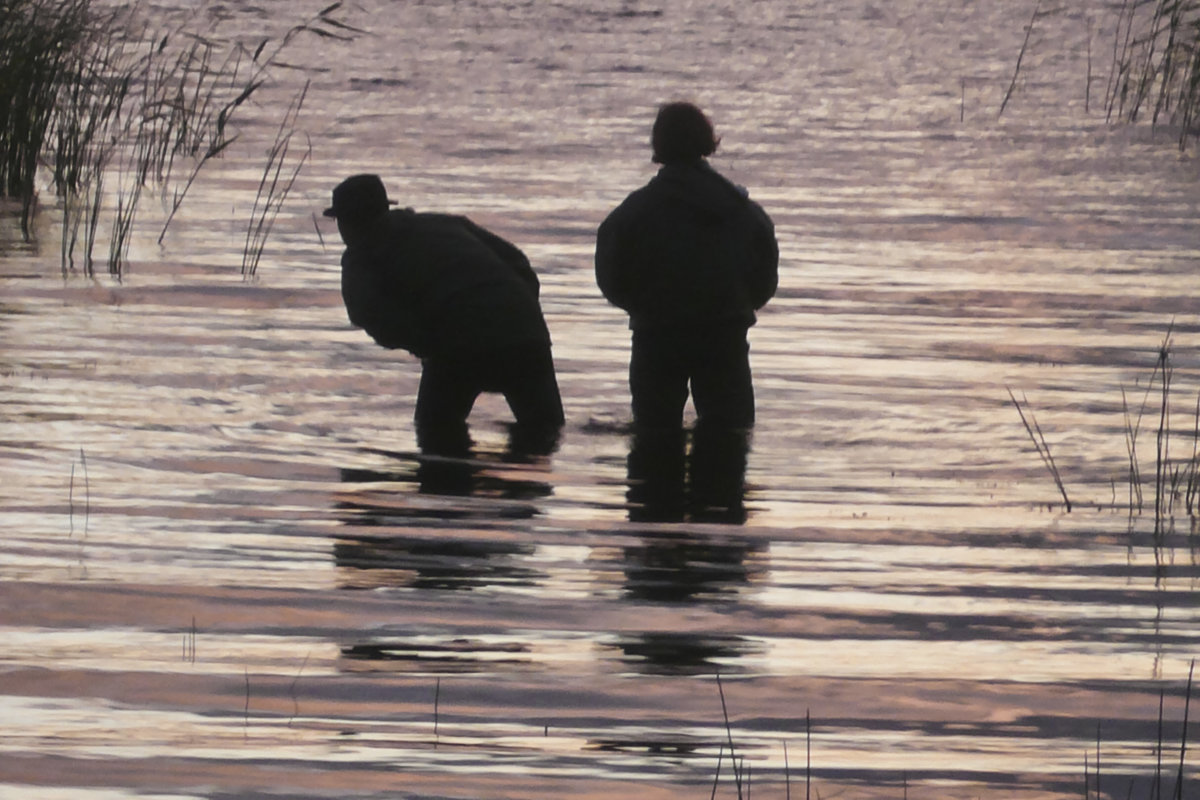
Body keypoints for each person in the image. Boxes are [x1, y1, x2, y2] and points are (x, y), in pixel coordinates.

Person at [324, 174, 564, 452]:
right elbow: (520, 265)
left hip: (458, 341)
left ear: (346, 222)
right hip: (526, 333)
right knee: (544, 432)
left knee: (435, 435)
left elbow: (371, 316)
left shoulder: (361, 255)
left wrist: (427, 345)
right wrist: (517, 315)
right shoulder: (447, 224)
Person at [595, 101, 779, 432]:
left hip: (656, 337)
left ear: (658, 144)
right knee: (729, 443)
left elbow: (610, 276)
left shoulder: (633, 212)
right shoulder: (744, 211)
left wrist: (642, 307)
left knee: (652, 444)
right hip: (724, 336)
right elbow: (765, 279)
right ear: (708, 140)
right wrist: (736, 305)